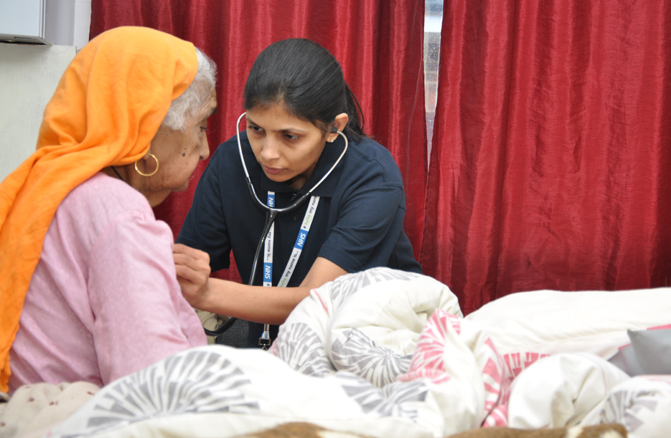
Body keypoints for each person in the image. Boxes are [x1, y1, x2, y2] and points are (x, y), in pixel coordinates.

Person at [0, 26, 217, 395]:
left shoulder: (40, 181)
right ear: (146, 131)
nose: (205, 149)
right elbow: (151, 381)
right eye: (201, 126)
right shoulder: (119, 211)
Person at [174, 38, 422, 348]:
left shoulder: (373, 176)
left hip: (373, 341)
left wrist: (206, 292)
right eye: (255, 128)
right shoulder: (231, 162)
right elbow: (188, 270)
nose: (267, 153)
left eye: (290, 136)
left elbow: (315, 302)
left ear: (334, 128)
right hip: (271, 346)